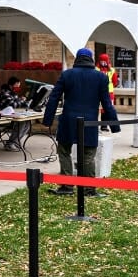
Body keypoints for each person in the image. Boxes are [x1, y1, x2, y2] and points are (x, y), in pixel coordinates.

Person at [42, 48, 120, 196]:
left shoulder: (67, 75)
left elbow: (54, 98)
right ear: (91, 59)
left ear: (77, 59)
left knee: (64, 151)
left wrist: (48, 120)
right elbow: (107, 103)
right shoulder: (101, 77)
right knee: (89, 155)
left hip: (68, 120)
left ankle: (67, 186)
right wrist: (114, 126)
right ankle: (89, 189)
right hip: (89, 121)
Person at [0, 76, 28, 151]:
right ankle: (10, 144)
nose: (17, 88)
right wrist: (21, 101)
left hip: (9, 116)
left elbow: (20, 103)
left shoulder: (13, 93)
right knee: (21, 123)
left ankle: (15, 142)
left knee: (27, 122)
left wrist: (22, 101)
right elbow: (13, 104)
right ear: (10, 85)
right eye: (16, 86)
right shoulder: (4, 92)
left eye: (18, 86)